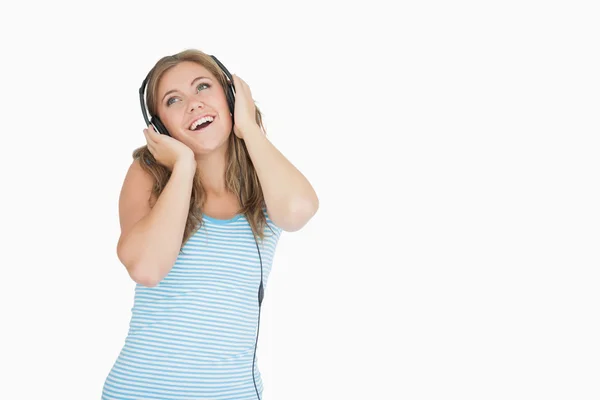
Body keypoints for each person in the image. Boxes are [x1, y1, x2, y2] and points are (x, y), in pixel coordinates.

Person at [101, 49, 319, 400]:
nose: (193, 103)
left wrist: (248, 128)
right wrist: (183, 167)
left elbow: (298, 211)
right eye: (174, 100)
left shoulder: (264, 179)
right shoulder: (147, 175)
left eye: (203, 87)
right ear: (160, 126)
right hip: (142, 392)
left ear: (231, 96)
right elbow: (146, 268)